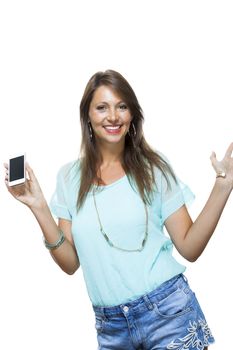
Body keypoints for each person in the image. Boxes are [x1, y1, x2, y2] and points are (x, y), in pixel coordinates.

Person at [4, 69, 233, 350]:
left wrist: (224, 186)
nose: (113, 116)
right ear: (87, 115)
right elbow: (70, 263)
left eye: (121, 106)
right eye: (102, 107)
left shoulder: (154, 168)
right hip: (111, 327)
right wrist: (38, 207)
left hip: (168, 313)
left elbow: (189, 246)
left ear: (132, 115)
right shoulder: (69, 178)